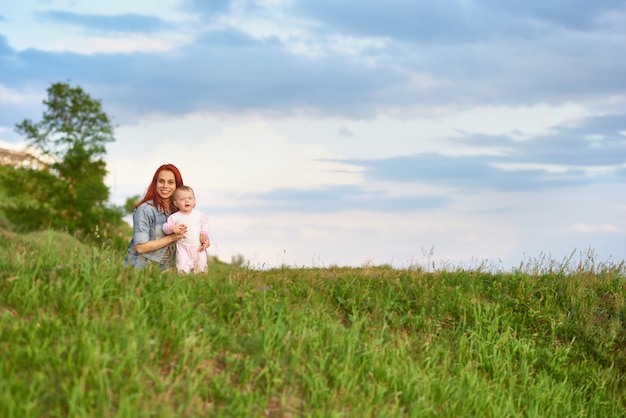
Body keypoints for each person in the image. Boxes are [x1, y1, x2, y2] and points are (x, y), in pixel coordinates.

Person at [124, 164, 208, 271]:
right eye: (161, 181)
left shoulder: (182, 210)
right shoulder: (145, 210)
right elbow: (140, 247)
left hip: (168, 269)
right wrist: (172, 237)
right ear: (155, 183)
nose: (165, 186)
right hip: (142, 267)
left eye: (171, 182)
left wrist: (203, 238)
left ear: (177, 185)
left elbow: (192, 237)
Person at [162, 185, 210, 274]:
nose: (187, 201)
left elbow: (205, 223)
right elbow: (165, 227)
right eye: (182, 199)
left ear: (194, 201)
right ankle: (183, 279)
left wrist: (204, 233)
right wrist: (172, 228)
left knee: (201, 266)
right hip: (183, 247)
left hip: (198, 247)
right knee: (182, 266)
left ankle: (199, 281)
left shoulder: (199, 215)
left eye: (190, 198)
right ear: (176, 203)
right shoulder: (175, 217)